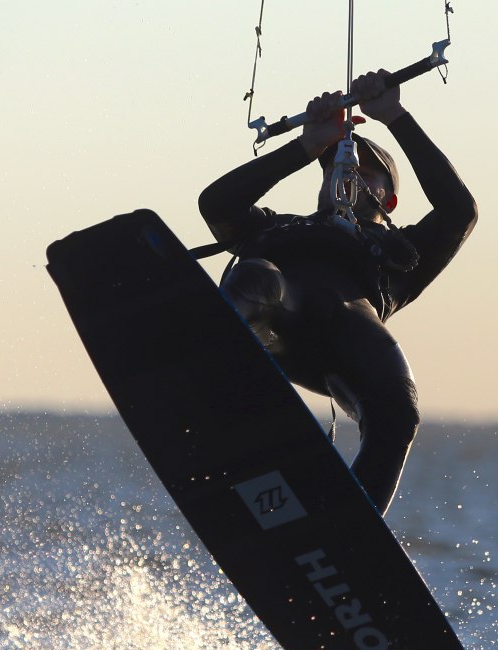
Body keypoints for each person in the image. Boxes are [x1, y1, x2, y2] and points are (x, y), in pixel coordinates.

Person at [199, 70, 477, 514]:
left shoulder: (402, 254)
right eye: (337, 166)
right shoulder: (278, 226)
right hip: (275, 317)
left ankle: (350, 531)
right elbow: (217, 204)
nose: (347, 171)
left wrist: (394, 117)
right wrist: (308, 146)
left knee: (399, 415)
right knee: (257, 279)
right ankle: (215, 385)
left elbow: (459, 211)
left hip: (348, 340)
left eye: (366, 171)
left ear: (388, 200)